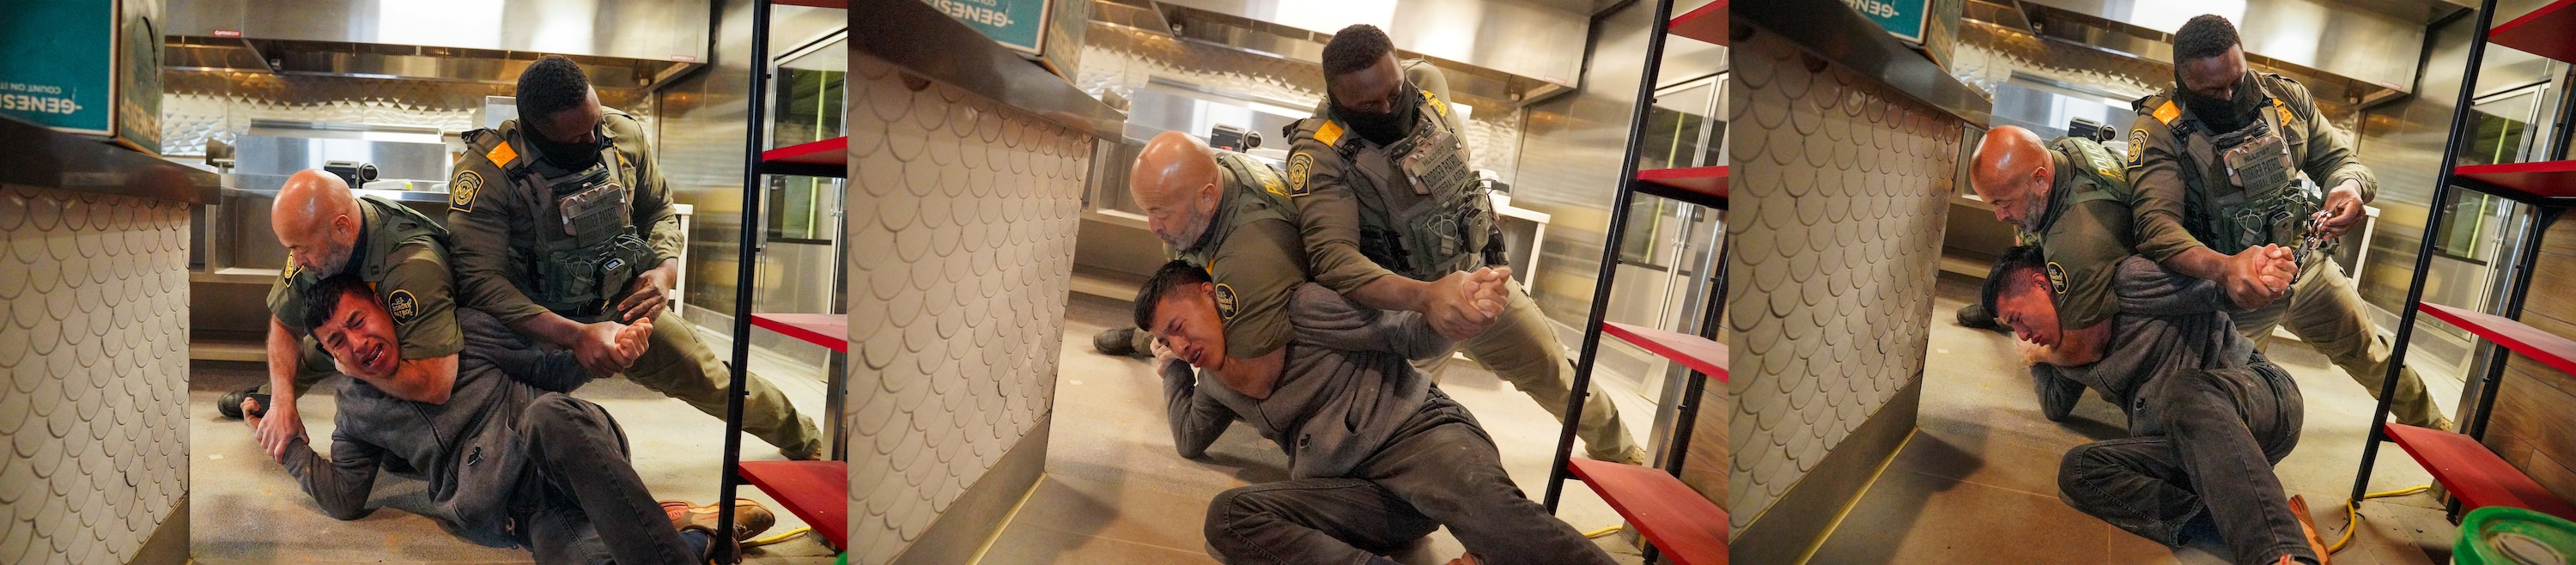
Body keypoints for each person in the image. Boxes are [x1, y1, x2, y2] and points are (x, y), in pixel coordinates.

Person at [1283, 23, 1644, 465]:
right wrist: (1427, 297)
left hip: (1477, 279)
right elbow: (1333, 260)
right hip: (1406, 315)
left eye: (1395, 93)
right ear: (1338, 97)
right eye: (1369, 105)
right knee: (1382, 440)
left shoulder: (1426, 83)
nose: (1388, 109)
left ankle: (1622, 454)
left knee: (1558, 373)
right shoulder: (1319, 152)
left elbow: (1456, 164)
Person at [242, 273, 773, 564]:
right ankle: (696, 539)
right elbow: (344, 497)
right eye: (338, 341)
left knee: (543, 414)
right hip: (523, 513)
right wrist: (286, 444)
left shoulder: (462, 330)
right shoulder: (357, 411)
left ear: (382, 303)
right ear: (330, 354)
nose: (358, 343)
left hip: (568, 447)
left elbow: (550, 369)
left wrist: (609, 348)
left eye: (358, 321)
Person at [447, 54, 823, 459]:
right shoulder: (486, 173)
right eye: (575, 139)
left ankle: (811, 445)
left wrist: (664, 272)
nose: (592, 141)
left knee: (714, 380)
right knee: (510, 433)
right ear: (535, 130)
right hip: (532, 327)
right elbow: (480, 281)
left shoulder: (622, 134)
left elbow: (659, 210)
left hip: (620, 304)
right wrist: (575, 336)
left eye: (594, 125)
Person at [1133, 261, 1616, 565]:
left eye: (1178, 326)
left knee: (1496, 518)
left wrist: (1455, 308)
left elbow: (1407, 333)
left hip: (1417, 435)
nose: (1181, 343)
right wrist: (1174, 369)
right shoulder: (1217, 378)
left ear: (1210, 292)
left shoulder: (1299, 308)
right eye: (1167, 338)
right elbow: (1190, 438)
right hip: (1356, 491)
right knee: (1230, 516)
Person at [2125, 15, 2450, 430]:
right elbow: (2156, 228)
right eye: (2212, 91)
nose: (2229, 96)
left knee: (2374, 355)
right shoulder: (2158, 130)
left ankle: (2435, 431)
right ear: (2183, 79)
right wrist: (2226, 269)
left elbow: (2340, 161)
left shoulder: (2287, 98)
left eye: (2237, 81)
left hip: (2306, 266)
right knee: (2213, 404)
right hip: (2233, 291)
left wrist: (2349, 188)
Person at [1985, 246, 2330, 565]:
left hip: (2259, 399)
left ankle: (2282, 555)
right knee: (2079, 468)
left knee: (2185, 390)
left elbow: (2222, 287)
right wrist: (2042, 357)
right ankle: (2280, 525)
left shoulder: (2128, 281)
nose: (2022, 334)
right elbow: (2054, 405)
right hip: (2190, 447)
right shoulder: (2066, 347)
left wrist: (2258, 268)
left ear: (2042, 284)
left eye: (2017, 318)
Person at [1094, 131, 1511, 365]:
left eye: (1161, 213)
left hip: (1450, 287)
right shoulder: (1217, 178)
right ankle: (1147, 337)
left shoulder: (1252, 252)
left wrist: (1176, 375)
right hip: (1421, 286)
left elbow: (1248, 371)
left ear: (1206, 197)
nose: (1153, 226)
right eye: (1149, 211)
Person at [1966, 125, 2294, 420]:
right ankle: (2003, 307)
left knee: (2217, 400)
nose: (1999, 215)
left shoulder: (2078, 244)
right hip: (2159, 270)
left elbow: (2084, 348)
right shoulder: (2063, 151)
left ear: (2041, 179)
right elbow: (2030, 238)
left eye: (2003, 203)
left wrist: (2035, 353)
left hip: (2205, 322)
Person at [222, 169, 463, 457]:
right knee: (325, 344)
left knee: (361, 359)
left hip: (428, 342)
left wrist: (354, 369)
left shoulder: (413, 265)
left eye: (303, 249)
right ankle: (268, 396)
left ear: (343, 228)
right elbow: (285, 322)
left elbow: (435, 385)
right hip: (371, 326)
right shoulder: (316, 241)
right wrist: (281, 403)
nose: (297, 260)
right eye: (292, 248)